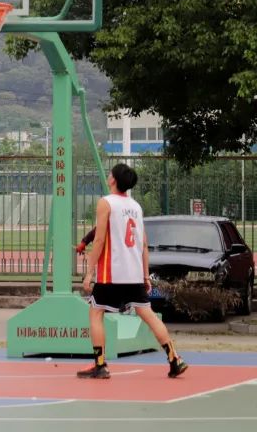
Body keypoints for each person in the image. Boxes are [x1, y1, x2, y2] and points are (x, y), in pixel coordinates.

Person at [79, 162, 188, 380]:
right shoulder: (136, 207)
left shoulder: (105, 203)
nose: (108, 175)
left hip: (112, 273)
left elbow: (99, 240)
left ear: (113, 179)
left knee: (96, 313)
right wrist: (145, 274)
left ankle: (100, 365)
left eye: (110, 173)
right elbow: (144, 244)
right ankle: (174, 358)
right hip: (134, 273)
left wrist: (89, 272)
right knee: (148, 314)